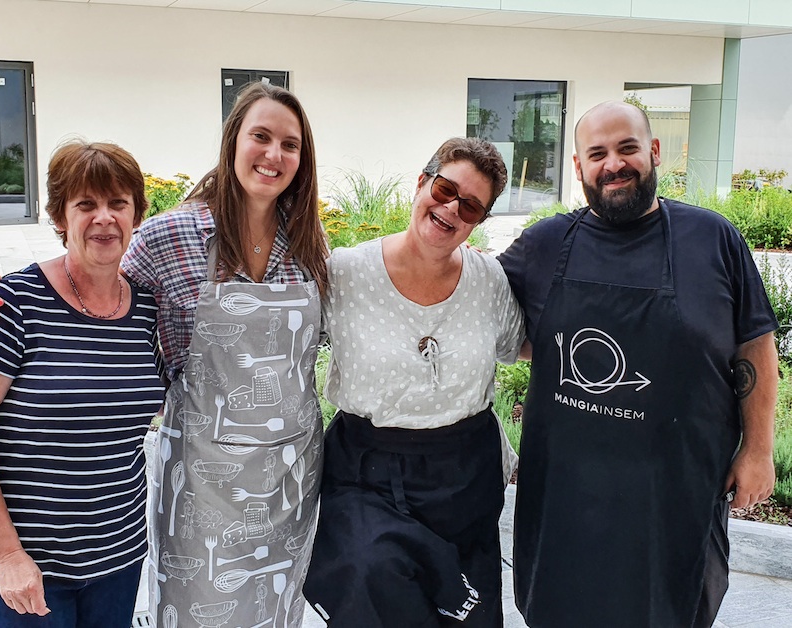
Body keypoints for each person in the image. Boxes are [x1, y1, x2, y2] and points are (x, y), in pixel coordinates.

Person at [0, 82, 328, 627]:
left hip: (288, 484)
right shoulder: (169, 236)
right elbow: (87, 288)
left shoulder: (308, 243)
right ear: (233, 143)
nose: (274, 154)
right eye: (261, 136)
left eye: (290, 144)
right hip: (204, 486)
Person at [497, 101, 779, 628]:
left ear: (652, 152)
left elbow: (755, 348)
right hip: (566, 500)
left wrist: (758, 450)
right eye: (597, 154)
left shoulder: (712, 239)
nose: (614, 164)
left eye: (627, 148)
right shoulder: (544, 244)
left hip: (675, 498)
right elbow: (473, 311)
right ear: (578, 167)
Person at [302, 137, 525, 626]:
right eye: (446, 189)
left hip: (466, 477)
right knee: (371, 578)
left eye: (471, 207)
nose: (451, 209)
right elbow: (286, 342)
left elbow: (521, 346)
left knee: (462, 612)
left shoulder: (489, 280)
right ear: (423, 181)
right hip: (367, 472)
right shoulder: (345, 272)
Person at [0, 140, 165, 626]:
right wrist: (6, 556)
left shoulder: (148, 309)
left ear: (136, 215)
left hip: (118, 556)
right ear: (60, 217)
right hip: (28, 566)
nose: (104, 218)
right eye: (86, 204)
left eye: (118, 204)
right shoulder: (12, 303)